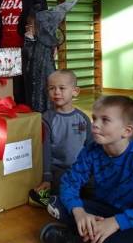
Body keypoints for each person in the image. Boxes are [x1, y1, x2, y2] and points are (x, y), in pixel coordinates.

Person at [40, 96, 133, 243]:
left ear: (127, 131)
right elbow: (69, 182)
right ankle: (95, 234)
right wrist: (79, 212)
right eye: (94, 118)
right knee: (54, 202)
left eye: (105, 120)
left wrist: (116, 222)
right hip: (103, 210)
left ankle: (75, 238)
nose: (94, 124)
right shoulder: (91, 151)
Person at [29, 70, 92, 207]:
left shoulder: (83, 118)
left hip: (80, 169)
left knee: (96, 187)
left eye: (62, 88)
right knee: (62, 186)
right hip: (58, 169)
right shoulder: (47, 119)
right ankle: (53, 199)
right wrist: (46, 178)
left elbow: (91, 146)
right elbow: (45, 150)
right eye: (52, 88)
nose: (56, 92)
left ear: (75, 91)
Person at [0, 0, 48, 105]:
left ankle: (30, 127)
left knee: (27, 95)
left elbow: (44, 19)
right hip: (4, 52)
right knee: (9, 97)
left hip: (26, 51)